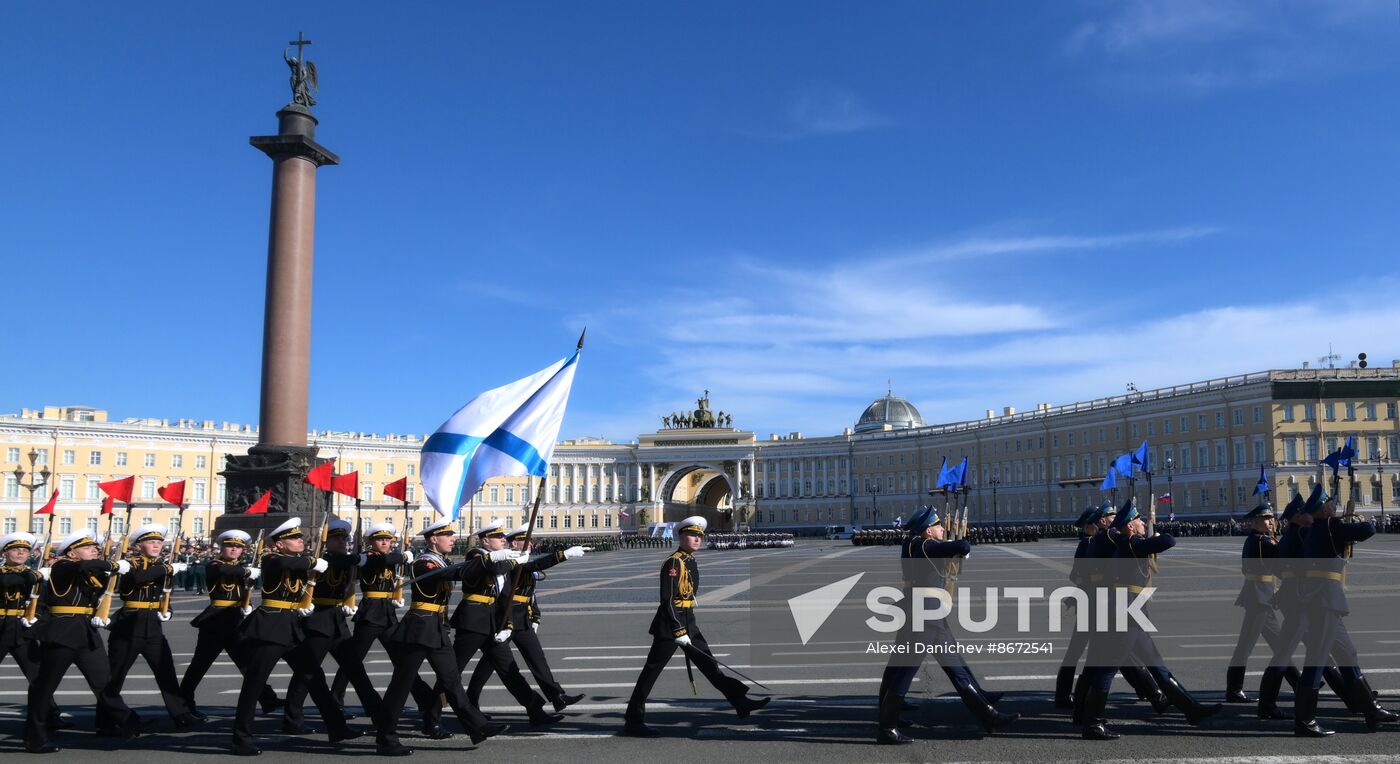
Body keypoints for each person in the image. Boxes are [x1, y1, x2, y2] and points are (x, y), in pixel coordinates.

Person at [874, 506, 1018, 745]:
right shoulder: (926, 546)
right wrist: (962, 546)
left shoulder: (910, 545)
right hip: (925, 616)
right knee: (905, 671)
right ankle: (887, 728)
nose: (943, 529)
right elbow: (962, 546)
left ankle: (988, 715)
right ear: (928, 531)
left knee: (952, 668)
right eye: (939, 526)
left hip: (922, 613)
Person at [1079, 500, 1219, 740]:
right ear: (1130, 527)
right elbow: (1168, 541)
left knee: (1157, 666)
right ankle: (1092, 723)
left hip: (1133, 613)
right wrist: (1156, 529)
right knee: (1108, 668)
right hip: (1126, 614)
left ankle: (1191, 710)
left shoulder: (1130, 543)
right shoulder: (1132, 544)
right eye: (1138, 521)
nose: (1143, 523)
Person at [621, 515, 770, 737]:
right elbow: (668, 599)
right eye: (692, 535)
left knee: (710, 665)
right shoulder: (674, 562)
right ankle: (633, 720)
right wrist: (679, 631)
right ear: (681, 536)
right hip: (671, 625)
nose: (697, 539)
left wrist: (686, 626)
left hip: (688, 620)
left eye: (700, 535)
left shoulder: (690, 560)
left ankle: (740, 702)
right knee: (651, 672)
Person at [374, 518, 507, 756]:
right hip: (418, 628)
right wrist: (489, 559)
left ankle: (477, 727)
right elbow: (454, 573)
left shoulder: (439, 560)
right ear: (433, 539)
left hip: (437, 627)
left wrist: (496, 560)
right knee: (401, 685)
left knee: (452, 681)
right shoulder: (423, 563)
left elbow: (456, 570)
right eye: (448, 536)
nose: (453, 539)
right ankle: (385, 737)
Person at [229, 518, 361, 756]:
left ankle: (337, 727)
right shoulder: (271, 559)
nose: (300, 540)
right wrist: (312, 561)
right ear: (279, 544)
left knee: (314, 677)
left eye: (300, 537)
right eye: (293, 538)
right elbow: (287, 564)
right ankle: (241, 738)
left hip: (292, 627)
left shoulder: (300, 561)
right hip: (269, 627)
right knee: (254, 683)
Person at [423, 520, 565, 733]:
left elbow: (506, 591)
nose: (502, 541)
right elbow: (493, 567)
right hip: (472, 620)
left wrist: (506, 623)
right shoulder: (475, 555)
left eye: (502, 537)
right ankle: (431, 717)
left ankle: (535, 710)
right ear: (486, 540)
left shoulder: (499, 557)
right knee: (452, 672)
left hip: (491, 620)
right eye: (498, 538)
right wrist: (513, 561)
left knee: (510, 670)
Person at [23, 530, 141, 753]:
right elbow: (83, 568)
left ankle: (128, 722)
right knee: (45, 687)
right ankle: (35, 737)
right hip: (62, 632)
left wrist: (123, 563)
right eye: (88, 548)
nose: (94, 550)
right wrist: (114, 566)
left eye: (95, 547)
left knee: (104, 682)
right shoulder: (62, 566)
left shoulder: (92, 571)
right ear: (72, 552)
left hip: (86, 632)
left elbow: (112, 581)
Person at [1294, 486, 1398, 735]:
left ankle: (1370, 708)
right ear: (1323, 509)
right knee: (1317, 660)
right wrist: (1354, 518)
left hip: (1325, 600)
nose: (1333, 506)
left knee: (1347, 655)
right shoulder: (1331, 526)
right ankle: (1304, 721)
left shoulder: (1316, 529)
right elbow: (1368, 530)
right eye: (1330, 503)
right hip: (1325, 600)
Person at [465, 523, 586, 713]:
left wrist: (535, 615)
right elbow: (532, 567)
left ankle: (556, 696)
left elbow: (531, 594)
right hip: (506, 616)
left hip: (522, 618)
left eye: (529, 539)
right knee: (491, 663)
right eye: (523, 540)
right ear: (514, 544)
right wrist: (563, 555)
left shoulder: (519, 559)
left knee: (537, 658)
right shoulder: (510, 561)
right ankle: (471, 698)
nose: (529, 543)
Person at [99, 524, 202, 732]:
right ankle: (106, 722)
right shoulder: (130, 564)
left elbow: (163, 593)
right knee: (115, 676)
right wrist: (166, 569)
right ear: (139, 545)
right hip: (129, 624)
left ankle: (180, 714)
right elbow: (140, 578)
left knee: (166, 672)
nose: (157, 546)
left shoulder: (160, 565)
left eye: (159, 542)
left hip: (152, 626)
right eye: (151, 542)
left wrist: (168, 610)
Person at [330, 522, 436, 725]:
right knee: (353, 661)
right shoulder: (370, 557)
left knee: (402, 659)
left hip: (387, 614)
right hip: (370, 614)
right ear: (371, 542)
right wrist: (404, 556)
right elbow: (387, 559)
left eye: (388, 539)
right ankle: (336, 699)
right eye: (380, 539)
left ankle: (424, 699)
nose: (385, 542)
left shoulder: (387, 557)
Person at [179, 530, 284, 718]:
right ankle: (184, 704)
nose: (234, 549)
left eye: (238, 547)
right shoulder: (215, 564)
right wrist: (246, 571)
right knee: (199, 666)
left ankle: (268, 698)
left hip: (235, 621)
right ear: (222, 548)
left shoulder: (240, 567)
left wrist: (247, 604)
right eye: (230, 546)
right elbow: (223, 571)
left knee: (249, 664)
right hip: (215, 622)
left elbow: (240, 590)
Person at [281, 518, 360, 734]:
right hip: (318, 622)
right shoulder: (321, 559)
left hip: (338, 622)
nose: (342, 542)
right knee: (307, 673)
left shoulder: (347, 560)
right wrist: (358, 558)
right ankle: (292, 718)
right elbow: (337, 564)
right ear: (326, 541)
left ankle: (375, 713)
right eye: (336, 538)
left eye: (344, 538)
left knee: (355, 669)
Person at [1224, 501, 1298, 703]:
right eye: (1266, 519)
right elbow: (1284, 560)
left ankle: (1299, 684)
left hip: (1261, 596)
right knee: (1245, 646)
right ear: (1255, 522)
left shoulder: (1258, 540)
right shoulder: (1263, 542)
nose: (1271, 522)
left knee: (1280, 645)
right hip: (1259, 598)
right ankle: (1234, 689)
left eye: (1271, 518)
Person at [1054, 507, 1099, 709]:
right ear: (1090, 526)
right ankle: (1065, 695)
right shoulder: (1087, 544)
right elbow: (1075, 574)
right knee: (1079, 650)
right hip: (1091, 602)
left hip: (1093, 601)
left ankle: (1150, 691)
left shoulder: (1096, 542)